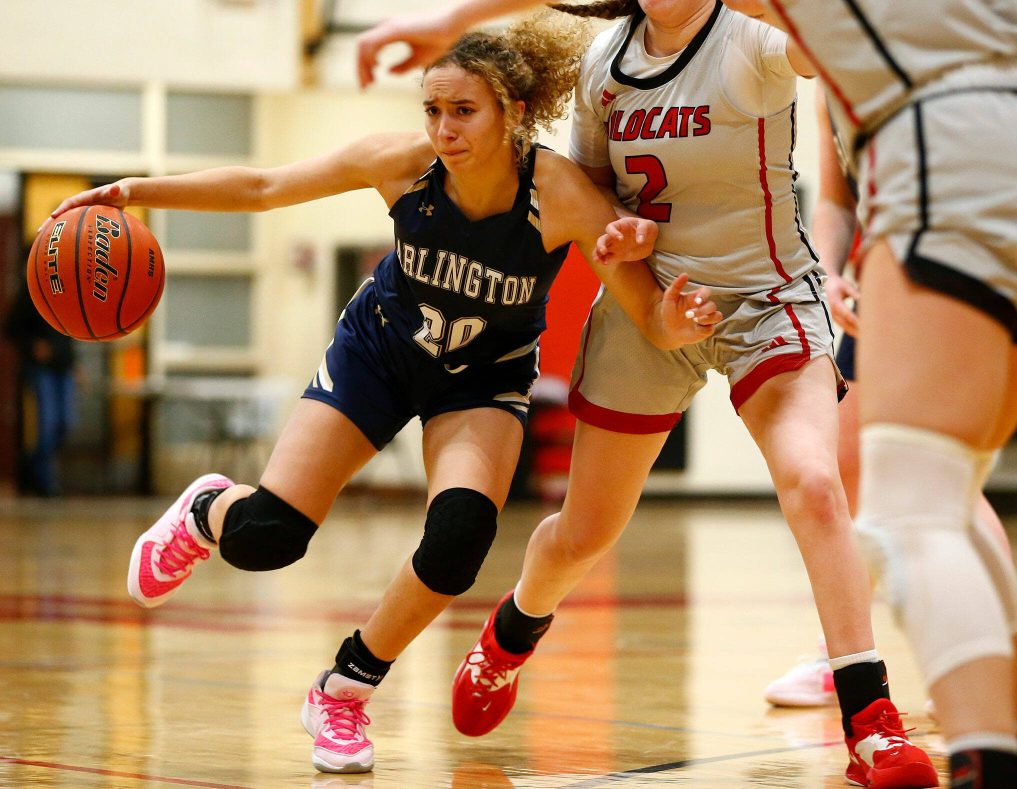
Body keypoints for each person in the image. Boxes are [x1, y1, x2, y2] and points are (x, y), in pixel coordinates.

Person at [52, 15, 721, 776]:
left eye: (463, 111)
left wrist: (680, 319)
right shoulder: (402, 166)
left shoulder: (559, 192)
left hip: (482, 378)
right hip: (378, 354)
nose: (443, 128)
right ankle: (210, 509)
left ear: (513, 114)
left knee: (459, 539)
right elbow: (267, 186)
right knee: (270, 536)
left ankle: (343, 688)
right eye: (433, 110)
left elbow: (649, 317)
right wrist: (136, 189)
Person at [358, 2, 939, 788]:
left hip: (766, 300)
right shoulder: (606, 65)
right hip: (649, 306)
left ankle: (870, 721)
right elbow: (598, 204)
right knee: (584, 533)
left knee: (814, 482)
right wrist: (618, 241)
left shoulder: (760, 43)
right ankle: (510, 632)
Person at [719, 2, 1017, 786]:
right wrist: (832, 270)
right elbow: (836, 194)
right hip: (945, 203)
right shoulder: (855, 71)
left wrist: (449, 20)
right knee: (927, 486)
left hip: (953, 188)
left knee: (916, 503)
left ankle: (987, 744)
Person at [763, 86, 1017, 711]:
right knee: (853, 470)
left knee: (940, 480)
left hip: (953, 269)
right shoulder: (834, 74)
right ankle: (845, 653)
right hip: (878, 278)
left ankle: (998, 663)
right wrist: (827, 271)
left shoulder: (944, 52)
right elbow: (837, 198)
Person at [3, 277, 77, 497]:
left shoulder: (72, 286)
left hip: (63, 367)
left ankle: (31, 466)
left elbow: (69, 332)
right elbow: (11, 327)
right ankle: (44, 483)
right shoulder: (31, 288)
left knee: (65, 423)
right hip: (42, 369)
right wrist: (33, 345)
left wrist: (74, 364)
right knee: (49, 424)